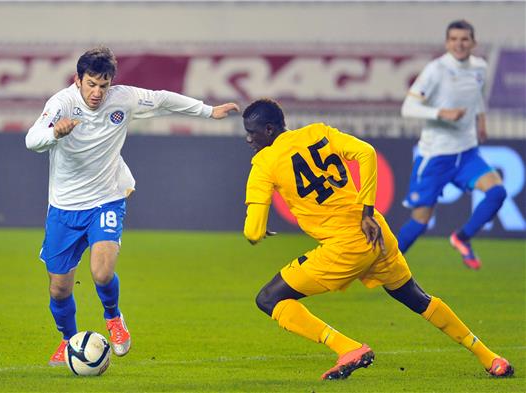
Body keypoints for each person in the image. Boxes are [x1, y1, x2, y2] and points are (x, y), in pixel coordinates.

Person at [241, 98, 513, 380]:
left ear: (270, 130)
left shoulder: (263, 163)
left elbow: (253, 231)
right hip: (375, 233)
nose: (248, 139)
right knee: (416, 297)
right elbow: (366, 153)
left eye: (252, 131)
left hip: (343, 248)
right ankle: (490, 358)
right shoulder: (318, 132)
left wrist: (258, 229)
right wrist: (367, 210)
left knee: (269, 298)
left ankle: (347, 348)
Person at [26, 46, 239, 366]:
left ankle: (113, 319)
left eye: (104, 84)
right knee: (58, 289)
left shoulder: (122, 98)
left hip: (106, 198)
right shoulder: (62, 103)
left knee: (101, 272)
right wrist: (54, 133)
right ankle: (69, 342)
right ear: (78, 79)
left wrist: (209, 111)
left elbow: (164, 98)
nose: (97, 92)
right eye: (91, 84)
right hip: (65, 208)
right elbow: (32, 139)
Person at [397, 20, 506, 269]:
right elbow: (408, 108)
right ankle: (387, 263)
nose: (459, 44)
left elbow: (477, 96)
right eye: (454, 39)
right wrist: (440, 113)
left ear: (473, 43)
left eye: (464, 39)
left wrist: (481, 122)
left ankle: (462, 237)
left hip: (466, 153)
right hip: (436, 155)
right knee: (420, 220)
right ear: (447, 43)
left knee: (497, 192)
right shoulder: (436, 70)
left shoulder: (480, 67)